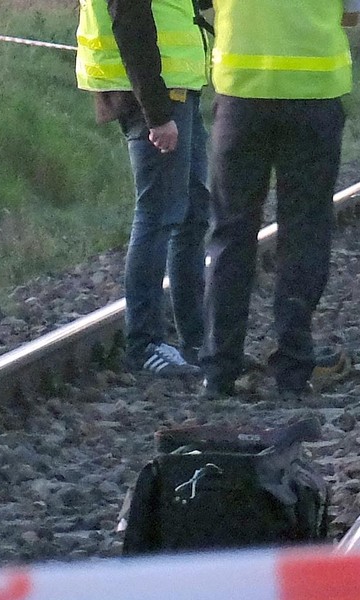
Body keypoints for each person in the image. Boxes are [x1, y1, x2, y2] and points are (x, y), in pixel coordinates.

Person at [200, 0, 360, 395]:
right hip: (313, 99)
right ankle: (293, 366)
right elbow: (352, 14)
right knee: (305, 230)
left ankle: (219, 370)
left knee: (230, 232)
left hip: (241, 100)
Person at [76, 0, 214, 377]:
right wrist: (157, 113)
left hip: (176, 88)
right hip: (156, 95)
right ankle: (145, 344)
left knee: (190, 214)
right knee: (158, 215)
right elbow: (131, 24)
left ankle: (197, 341)